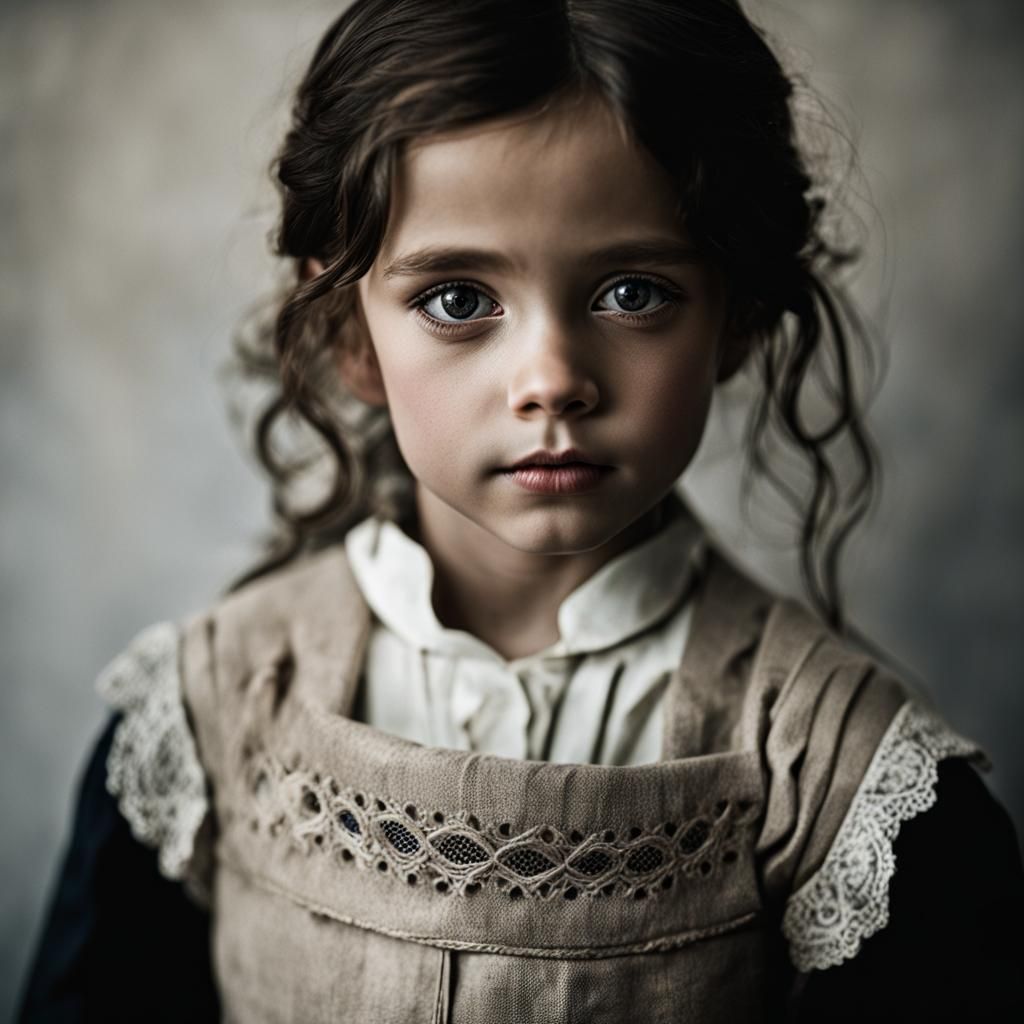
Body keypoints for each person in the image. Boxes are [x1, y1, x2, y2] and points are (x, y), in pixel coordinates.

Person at [18, 0, 1024, 1020]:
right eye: (458, 299)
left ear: (738, 316)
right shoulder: (204, 720)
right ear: (349, 334)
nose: (550, 379)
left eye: (632, 292)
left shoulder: (848, 789)